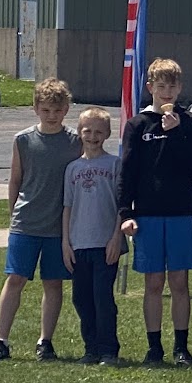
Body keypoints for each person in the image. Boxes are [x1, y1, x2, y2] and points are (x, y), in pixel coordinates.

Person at [0, 78, 81, 363]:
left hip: (58, 226)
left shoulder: (75, 141)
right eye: (46, 110)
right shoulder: (23, 140)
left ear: (66, 109)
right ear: (36, 108)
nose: (52, 115)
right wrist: (13, 213)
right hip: (26, 222)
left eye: (57, 110)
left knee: (53, 282)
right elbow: (16, 179)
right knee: (15, 278)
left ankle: (45, 341)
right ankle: (0, 340)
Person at [116, 57, 192, 367]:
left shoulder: (189, 121)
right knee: (153, 283)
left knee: (179, 282)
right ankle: (154, 347)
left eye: (172, 86)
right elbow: (127, 171)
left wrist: (176, 133)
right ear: (151, 87)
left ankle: (181, 346)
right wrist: (125, 212)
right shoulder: (138, 124)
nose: (167, 92)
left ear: (180, 88)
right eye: (161, 86)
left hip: (180, 212)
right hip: (148, 213)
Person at [61, 107, 123, 365]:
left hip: (105, 243)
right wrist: (66, 242)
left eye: (99, 132)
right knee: (82, 298)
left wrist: (116, 238)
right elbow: (67, 206)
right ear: (79, 132)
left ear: (107, 134)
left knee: (102, 297)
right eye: (87, 131)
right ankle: (91, 348)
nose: (93, 136)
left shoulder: (114, 164)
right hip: (78, 243)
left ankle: (108, 349)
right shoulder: (72, 168)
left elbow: (122, 205)